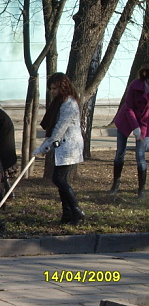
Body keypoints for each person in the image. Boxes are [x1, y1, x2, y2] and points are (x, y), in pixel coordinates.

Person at [33, 72, 85, 225]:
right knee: (60, 179)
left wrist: (44, 147)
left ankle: (77, 211)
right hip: (63, 144)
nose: (53, 92)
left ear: (63, 87)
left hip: (70, 144)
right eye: (51, 89)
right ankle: (67, 214)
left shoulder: (69, 103)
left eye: (55, 88)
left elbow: (60, 129)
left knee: (58, 179)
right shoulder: (60, 102)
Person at [110, 65, 149, 198]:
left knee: (140, 156)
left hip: (145, 125)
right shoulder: (135, 85)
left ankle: (141, 190)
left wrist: (140, 131)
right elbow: (128, 108)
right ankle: (115, 184)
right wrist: (135, 127)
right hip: (126, 122)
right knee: (120, 153)